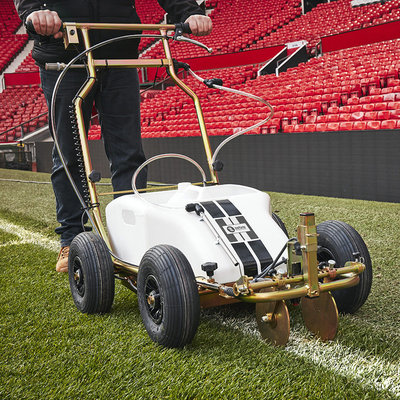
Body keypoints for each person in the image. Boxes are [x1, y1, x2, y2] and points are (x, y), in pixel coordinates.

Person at [13, 0, 212, 272]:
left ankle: (133, 233)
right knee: (70, 152)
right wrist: (34, 11)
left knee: (129, 153)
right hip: (63, 54)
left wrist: (190, 12)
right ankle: (71, 237)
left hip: (119, 53)